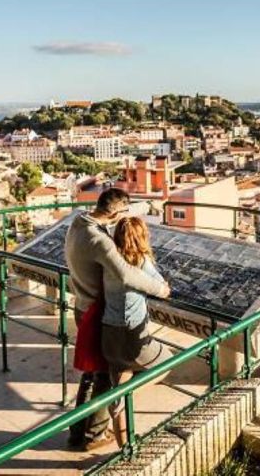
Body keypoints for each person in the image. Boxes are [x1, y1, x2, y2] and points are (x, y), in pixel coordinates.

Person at [65, 189, 170, 451]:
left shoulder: (78, 222)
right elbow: (126, 274)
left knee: (91, 373)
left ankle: (77, 430)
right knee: (101, 377)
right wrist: (161, 290)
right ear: (114, 212)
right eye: (124, 212)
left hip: (82, 304)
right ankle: (94, 435)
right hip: (95, 312)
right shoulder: (100, 240)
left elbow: (121, 217)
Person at [102, 216, 174, 447]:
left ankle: (125, 449)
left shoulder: (108, 261)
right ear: (142, 237)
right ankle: (126, 395)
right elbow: (162, 287)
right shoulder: (141, 262)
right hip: (132, 333)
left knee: (118, 387)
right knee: (166, 363)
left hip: (108, 332)